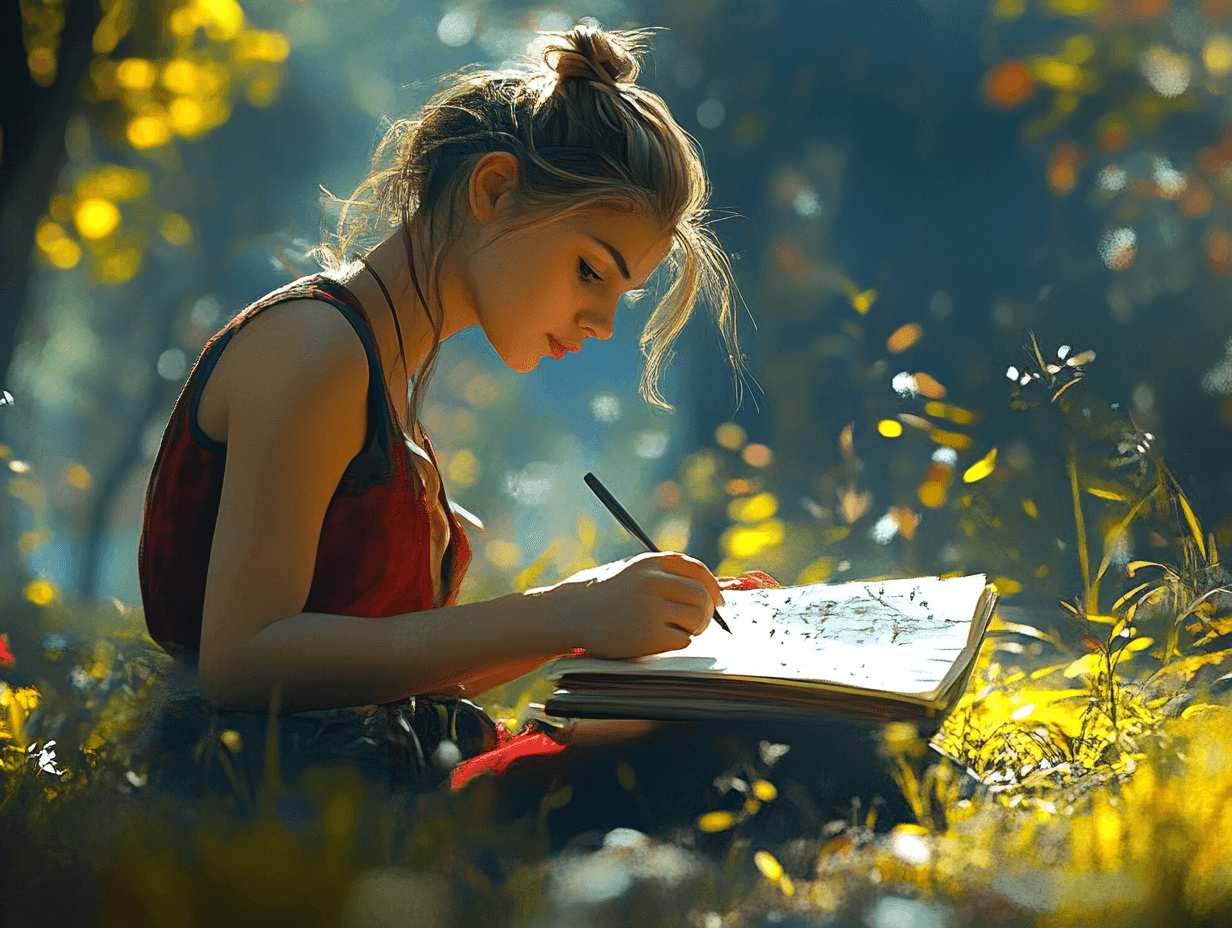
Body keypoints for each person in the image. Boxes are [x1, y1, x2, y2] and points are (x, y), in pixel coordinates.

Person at [125, 23, 753, 818]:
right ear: (491, 190)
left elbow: (378, 664)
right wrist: (561, 612)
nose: (600, 322)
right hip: (267, 803)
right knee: (704, 766)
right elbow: (245, 660)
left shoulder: (387, 372)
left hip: (365, 775)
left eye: (619, 297)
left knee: (717, 737)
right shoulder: (316, 349)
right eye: (591, 270)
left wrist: (590, 607)